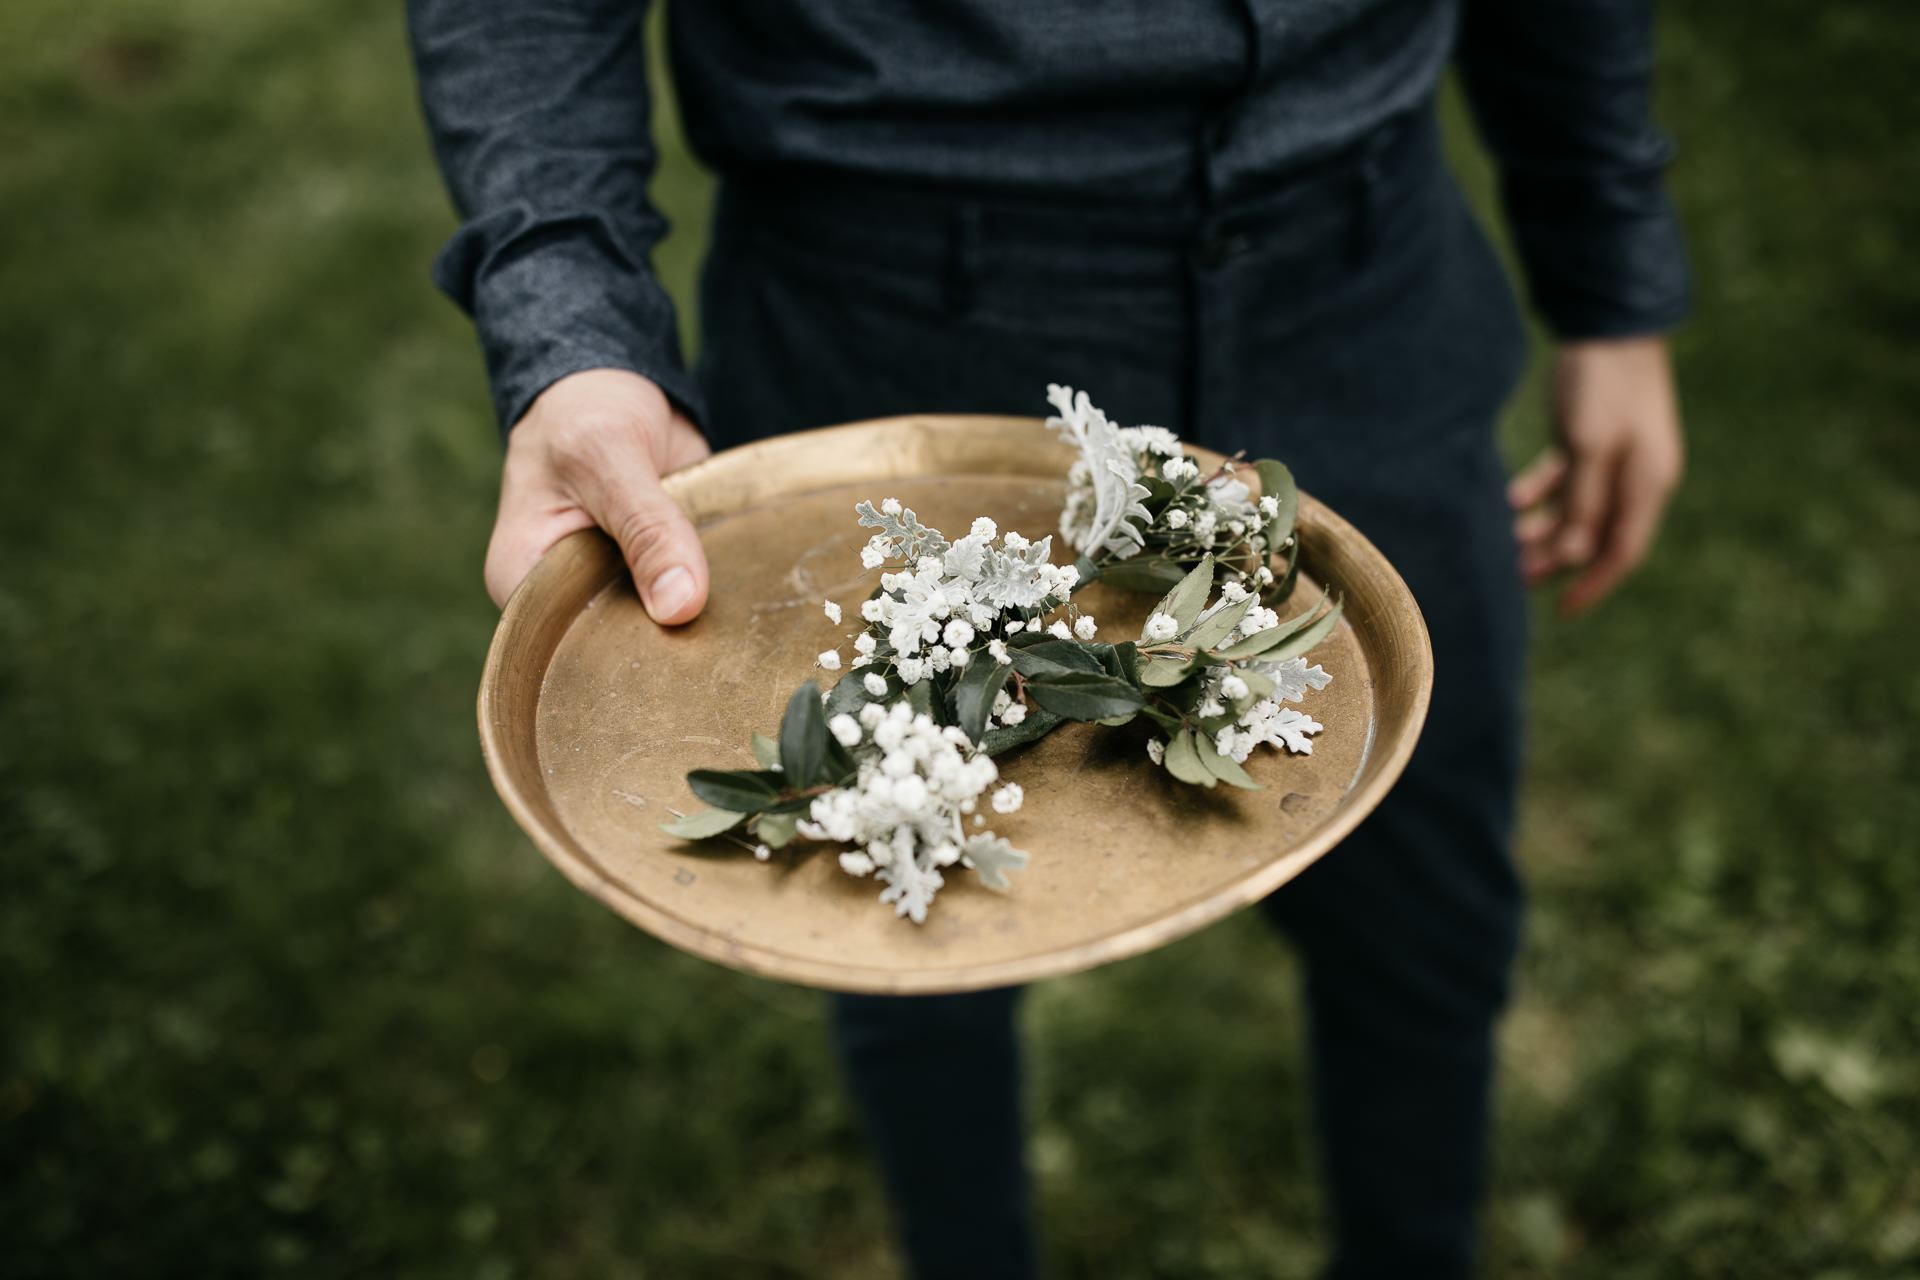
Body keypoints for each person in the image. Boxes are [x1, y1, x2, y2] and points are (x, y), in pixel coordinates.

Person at [409, 2, 1687, 1275]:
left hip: (1359, 278)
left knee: (1430, 921)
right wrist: (570, 323)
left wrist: (1610, 274)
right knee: (905, 948)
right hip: (889, 309)